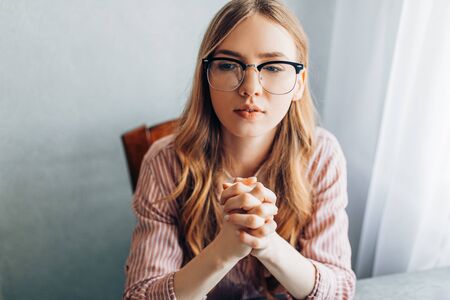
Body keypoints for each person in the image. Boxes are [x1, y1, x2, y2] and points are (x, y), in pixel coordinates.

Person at [123, 0, 356, 299]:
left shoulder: (322, 155)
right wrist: (224, 250)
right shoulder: (165, 161)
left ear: (299, 83)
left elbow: (339, 292)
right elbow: (140, 295)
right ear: (206, 77)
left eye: (273, 67)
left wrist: (267, 243)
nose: (250, 88)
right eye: (229, 65)